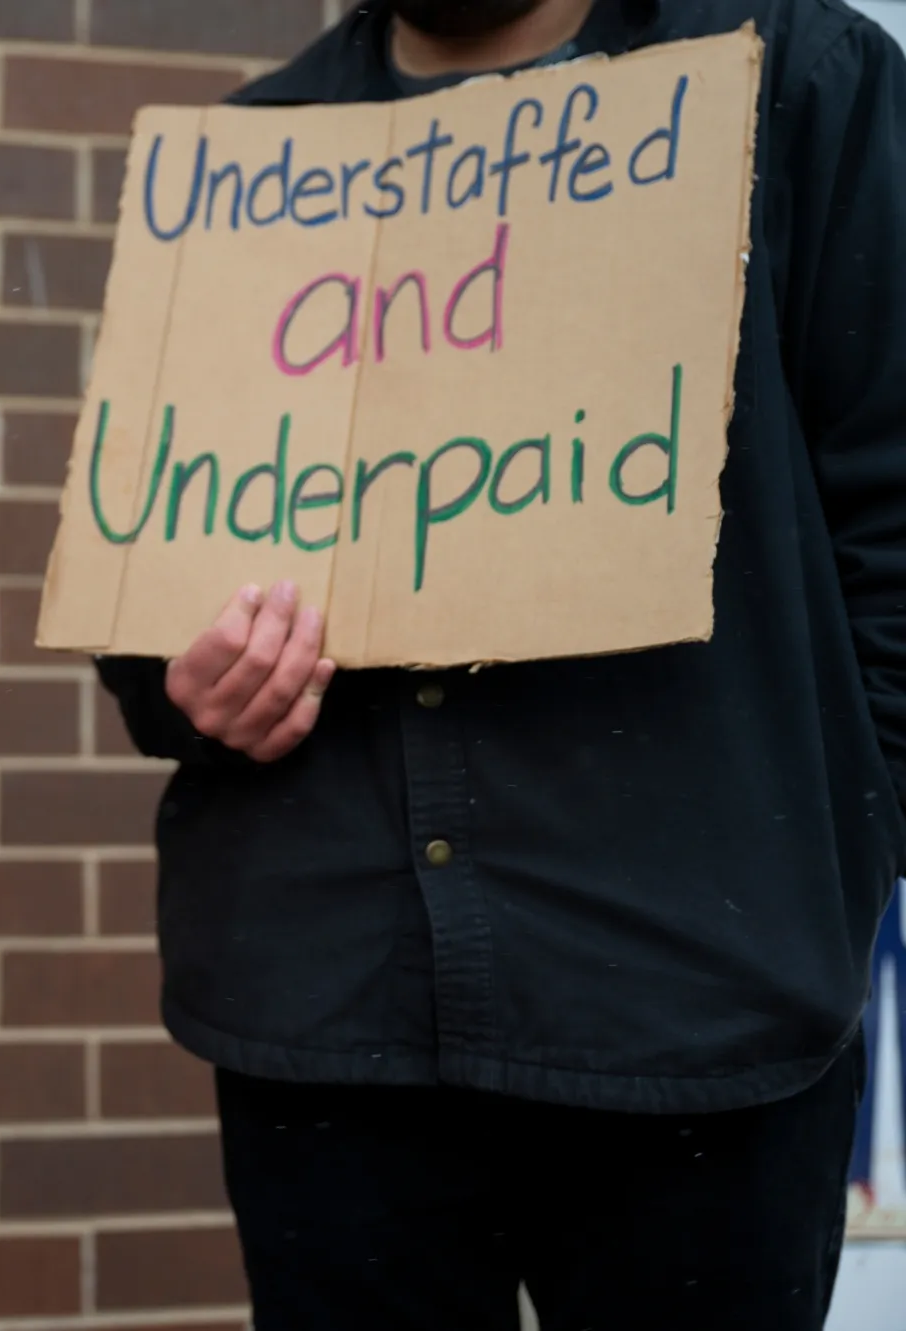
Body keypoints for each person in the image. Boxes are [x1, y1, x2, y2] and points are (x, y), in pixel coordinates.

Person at [98, 0, 904, 1326]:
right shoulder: (246, 167)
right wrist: (186, 682)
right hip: (328, 1030)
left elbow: (891, 508)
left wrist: (839, 851)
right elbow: (146, 597)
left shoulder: (795, 83)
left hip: (707, 1028)